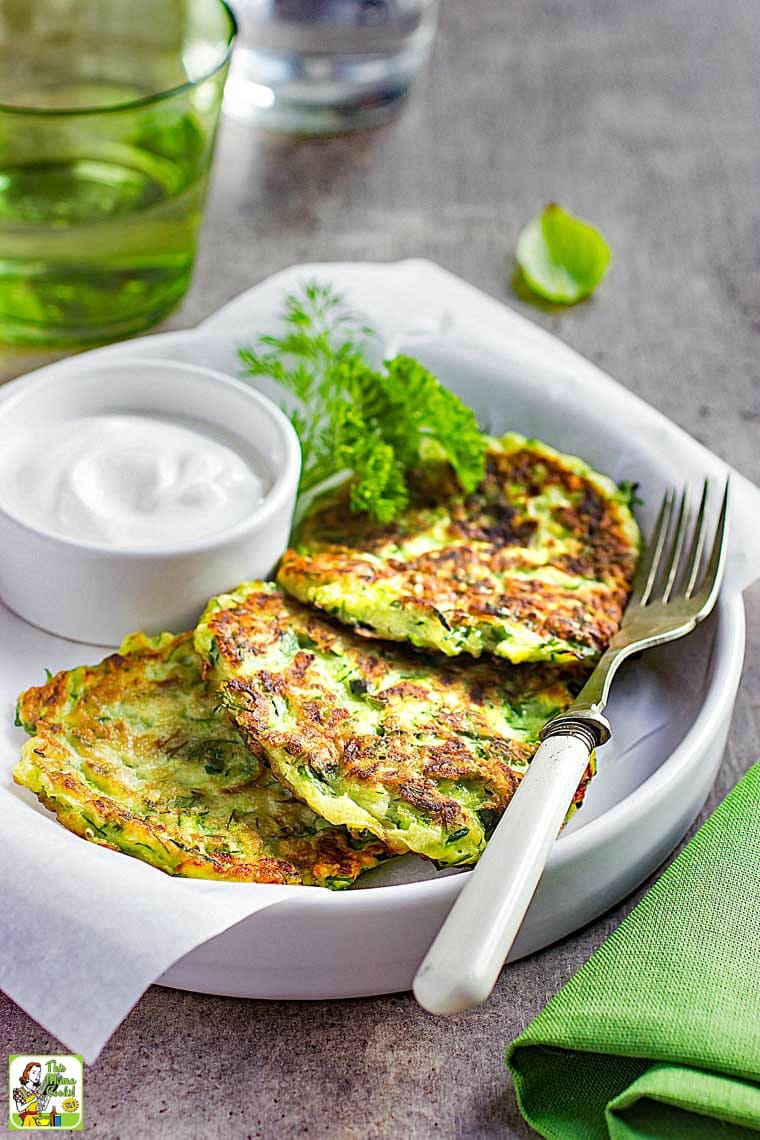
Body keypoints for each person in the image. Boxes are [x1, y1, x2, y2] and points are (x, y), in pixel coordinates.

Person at [12, 1062, 51, 1128]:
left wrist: (48, 1098)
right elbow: (19, 1109)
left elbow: (42, 1108)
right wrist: (33, 1100)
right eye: (34, 1072)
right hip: (28, 1120)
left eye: (39, 1073)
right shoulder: (19, 1091)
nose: (37, 1076)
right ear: (27, 1073)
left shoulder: (38, 1091)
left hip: (37, 1120)